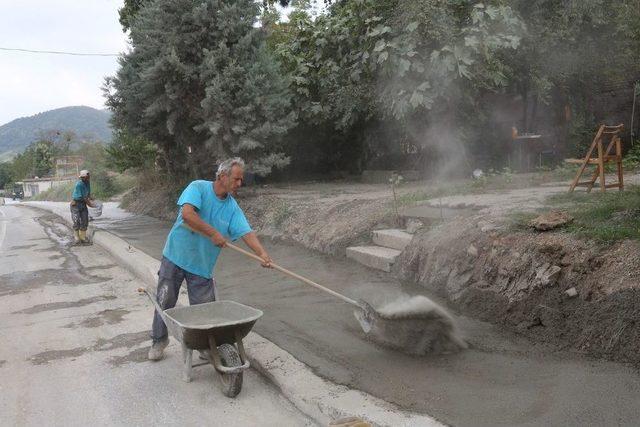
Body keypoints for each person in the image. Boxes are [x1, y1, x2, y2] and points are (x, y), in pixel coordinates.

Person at [148, 157, 272, 361]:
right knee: (165, 300)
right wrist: (214, 233)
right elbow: (187, 215)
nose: (239, 184)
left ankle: (205, 346)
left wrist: (262, 254)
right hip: (176, 256)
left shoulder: (232, 207)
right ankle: (159, 340)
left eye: (241, 180)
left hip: (202, 265)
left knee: (206, 310)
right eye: (237, 179)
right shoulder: (198, 188)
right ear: (223, 176)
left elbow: (246, 232)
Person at [70, 169, 94, 244]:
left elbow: (88, 194)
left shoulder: (87, 183)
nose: (84, 179)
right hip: (76, 204)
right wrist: (90, 205)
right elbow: (84, 198)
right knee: (76, 221)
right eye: (82, 178)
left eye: (85, 177)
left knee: (85, 220)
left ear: (88, 177)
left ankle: (83, 237)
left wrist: (92, 198)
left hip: (83, 204)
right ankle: (76, 238)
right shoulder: (79, 184)